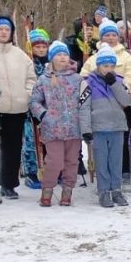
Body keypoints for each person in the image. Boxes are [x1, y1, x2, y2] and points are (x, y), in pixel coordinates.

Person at [0, 15, 36, 199]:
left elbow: (31, 79)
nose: (4, 32)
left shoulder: (19, 54)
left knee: (12, 149)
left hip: (16, 109)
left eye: (7, 29)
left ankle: (9, 185)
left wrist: (26, 95)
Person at [81, 19, 131, 191]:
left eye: (114, 34)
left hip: (122, 105)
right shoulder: (94, 58)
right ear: (101, 37)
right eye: (107, 34)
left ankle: (124, 173)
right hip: (99, 107)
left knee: (122, 141)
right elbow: (84, 77)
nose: (111, 37)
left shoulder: (126, 56)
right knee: (103, 146)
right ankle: (104, 179)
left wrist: (122, 91)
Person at [28, 41, 85, 207]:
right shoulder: (43, 80)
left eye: (65, 54)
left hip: (74, 128)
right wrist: (44, 115)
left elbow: (85, 100)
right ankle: (47, 189)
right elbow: (34, 102)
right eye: (58, 54)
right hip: (52, 129)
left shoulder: (78, 79)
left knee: (72, 161)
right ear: (51, 58)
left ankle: (67, 190)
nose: (62, 57)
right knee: (54, 161)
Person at [79, 46, 131, 208]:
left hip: (117, 127)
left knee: (115, 161)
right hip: (99, 128)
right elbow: (83, 108)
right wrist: (86, 130)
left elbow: (126, 101)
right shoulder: (87, 83)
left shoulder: (119, 80)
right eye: (105, 66)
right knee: (102, 161)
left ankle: (116, 190)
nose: (108, 69)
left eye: (111, 66)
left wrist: (115, 84)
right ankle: (103, 191)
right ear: (98, 65)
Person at [22, 28, 50, 190]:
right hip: (30, 109)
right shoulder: (28, 63)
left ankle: (49, 169)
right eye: (36, 46)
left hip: (47, 108)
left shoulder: (49, 63)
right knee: (31, 141)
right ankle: (32, 172)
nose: (40, 49)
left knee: (47, 141)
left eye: (43, 46)